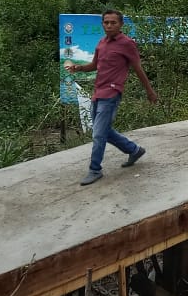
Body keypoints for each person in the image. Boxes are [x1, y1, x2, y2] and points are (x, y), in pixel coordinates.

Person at [64, 10, 158, 186]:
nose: (109, 25)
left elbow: (138, 68)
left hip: (112, 93)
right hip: (98, 92)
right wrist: (79, 68)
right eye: (106, 22)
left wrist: (150, 91)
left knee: (98, 134)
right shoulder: (101, 43)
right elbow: (94, 65)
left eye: (113, 22)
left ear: (121, 24)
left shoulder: (127, 44)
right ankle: (134, 150)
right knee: (104, 131)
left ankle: (95, 170)